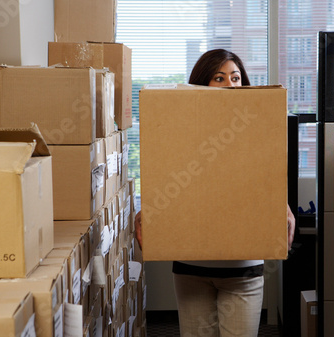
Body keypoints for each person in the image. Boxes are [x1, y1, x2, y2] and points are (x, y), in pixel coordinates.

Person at [135, 49, 296, 337]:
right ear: (201, 84)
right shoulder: (179, 127)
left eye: (235, 78)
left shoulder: (257, 126)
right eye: (219, 78)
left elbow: (266, 178)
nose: (230, 84)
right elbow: (164, 174)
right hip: (191, 266)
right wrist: (151, 209)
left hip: (243, 268)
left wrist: (281, 207)